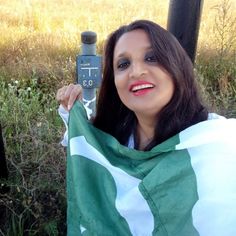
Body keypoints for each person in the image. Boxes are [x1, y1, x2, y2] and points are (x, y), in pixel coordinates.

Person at [57, 20, 236, 236]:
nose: (136, 71)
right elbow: (87, 171)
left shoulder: (219, 145)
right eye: (123, 64)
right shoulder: (112, 144)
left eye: (151, 58)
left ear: (176, 66)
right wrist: (73, 116)